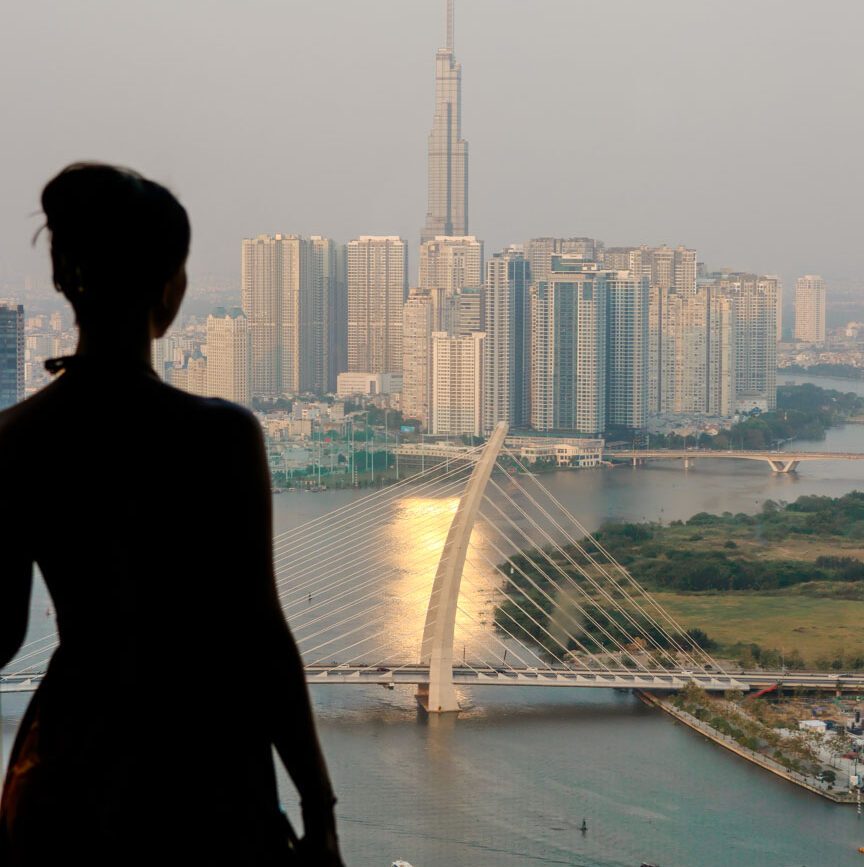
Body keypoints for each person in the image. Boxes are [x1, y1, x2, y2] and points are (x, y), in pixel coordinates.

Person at [0, 163, 345, 866]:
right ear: (173, 292)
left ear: (67, 282)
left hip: (70, 772)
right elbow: (264, 642)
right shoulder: (222, 436)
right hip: (208, 774)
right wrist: (319, 810)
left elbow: (1, 634)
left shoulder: (15, 439)